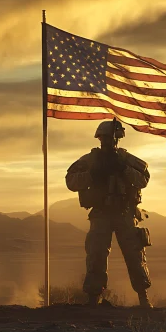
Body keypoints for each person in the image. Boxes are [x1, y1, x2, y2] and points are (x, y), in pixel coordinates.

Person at [65, 120, 152, 308]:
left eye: (110, 138)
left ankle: (143, 297)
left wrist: (123, 168)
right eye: (103, 138)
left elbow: (144, 179)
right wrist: (93, 174)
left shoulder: (126, 159)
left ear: (118, 139)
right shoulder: (90, 160)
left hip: (125, 213)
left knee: (135, 255)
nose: (107, 142)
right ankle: (93, 298)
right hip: (101, 214)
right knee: (96, 255)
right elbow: (71, 181)